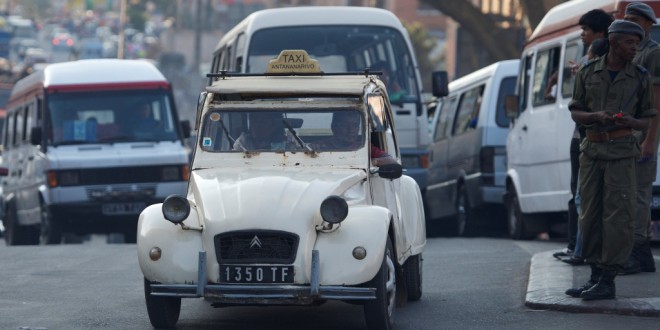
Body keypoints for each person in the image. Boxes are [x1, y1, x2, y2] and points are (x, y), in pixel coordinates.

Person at [565, 20, 655, 301]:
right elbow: (576, 111)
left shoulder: (640, 76)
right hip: (592, 152)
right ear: (614, 42)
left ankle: (608, 279)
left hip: (621, 154)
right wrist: (595, 117)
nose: (634, 48)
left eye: (637, 43)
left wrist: (631, 121)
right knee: (589, 215)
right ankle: (594, 276)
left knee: (617, 217)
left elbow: (647, 119)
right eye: (630, 43)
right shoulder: (588, 72)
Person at [554, 9, 614, 262]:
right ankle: (578, 248)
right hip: (585, 137)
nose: (582, 35)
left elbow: (581, 107)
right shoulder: (592, 61)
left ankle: (581, 250)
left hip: (588, 139)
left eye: (586, 30)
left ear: (600, 33)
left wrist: (582, 73)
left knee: (582, 197)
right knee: (580, 196)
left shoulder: (600, 63)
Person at [619, 2, 659, 275]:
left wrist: (650, 140)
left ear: (648, 24)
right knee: (628, 194)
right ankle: (642, 255)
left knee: (639, 194)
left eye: (634, 19)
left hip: (643, 132)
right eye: (626, 19)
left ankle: (636, 251)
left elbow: (657, 100)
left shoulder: (653, 53)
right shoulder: (633, 52)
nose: (629, 23)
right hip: (629, 130)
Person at [314, 111, 397, 166]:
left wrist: (374, 162)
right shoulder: (321, 146)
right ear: (334, 127)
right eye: (345, 126)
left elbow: (391, 161)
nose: (351, 130)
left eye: (355, 125)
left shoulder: (364, 147)